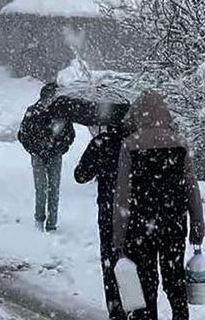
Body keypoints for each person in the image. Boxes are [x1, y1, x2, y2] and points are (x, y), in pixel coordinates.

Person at [112, 90, 205, 320]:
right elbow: (192, 187)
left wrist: (119, 235)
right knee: (174, 279)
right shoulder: (180, 144)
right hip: (173, 224)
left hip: (140, 226)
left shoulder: (130, 145)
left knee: (145, 283)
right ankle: (180, 316)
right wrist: (197, 224)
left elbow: (123, 195)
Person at [74, 102, 131, 320]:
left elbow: (80, 175)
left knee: (111, 261)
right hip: (135, 212)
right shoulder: (138, 144)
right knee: (132, 261)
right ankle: (133, 304)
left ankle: (116, 311)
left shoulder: (101, 143)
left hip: (109, 211)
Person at [18, 82, 76, 232]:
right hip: (38, 155)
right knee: (42, 188)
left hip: (54, 155)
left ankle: (51, 224)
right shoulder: (33, 112)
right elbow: (22, 134)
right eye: (54, 96)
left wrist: (60, 149)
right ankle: (39, 220)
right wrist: (34, 150)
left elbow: (70, 135)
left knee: (53, 189)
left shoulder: (61, 113)